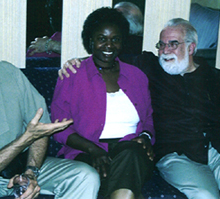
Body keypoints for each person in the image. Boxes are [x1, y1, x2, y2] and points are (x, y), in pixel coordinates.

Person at [59, 18, 220, 199]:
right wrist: (76, 60)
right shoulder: (149, 68)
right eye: (161, 45)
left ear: (191, 48)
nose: (165, 50)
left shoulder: (217, 78)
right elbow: (107, 52)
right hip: (179, 154)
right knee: (203, 195)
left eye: (173, 44)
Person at [0, 36, 100, 199]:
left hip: (26, 164)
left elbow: (40, 126)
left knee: (86, 177)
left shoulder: (6, 72)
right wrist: (26, 138)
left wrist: (31, 173)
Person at [51, 7, 155, 199]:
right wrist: (94, 150)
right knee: (111, 172)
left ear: (122, 41)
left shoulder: (137, 76)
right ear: (91, 41)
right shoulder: (72, 75)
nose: (109, 45)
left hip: (131, 152)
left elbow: (148, 119)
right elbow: (59, 127)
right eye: (101, 38)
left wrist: (147, 137)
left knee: (131, 154)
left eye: (115, 39)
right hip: (87, 152)